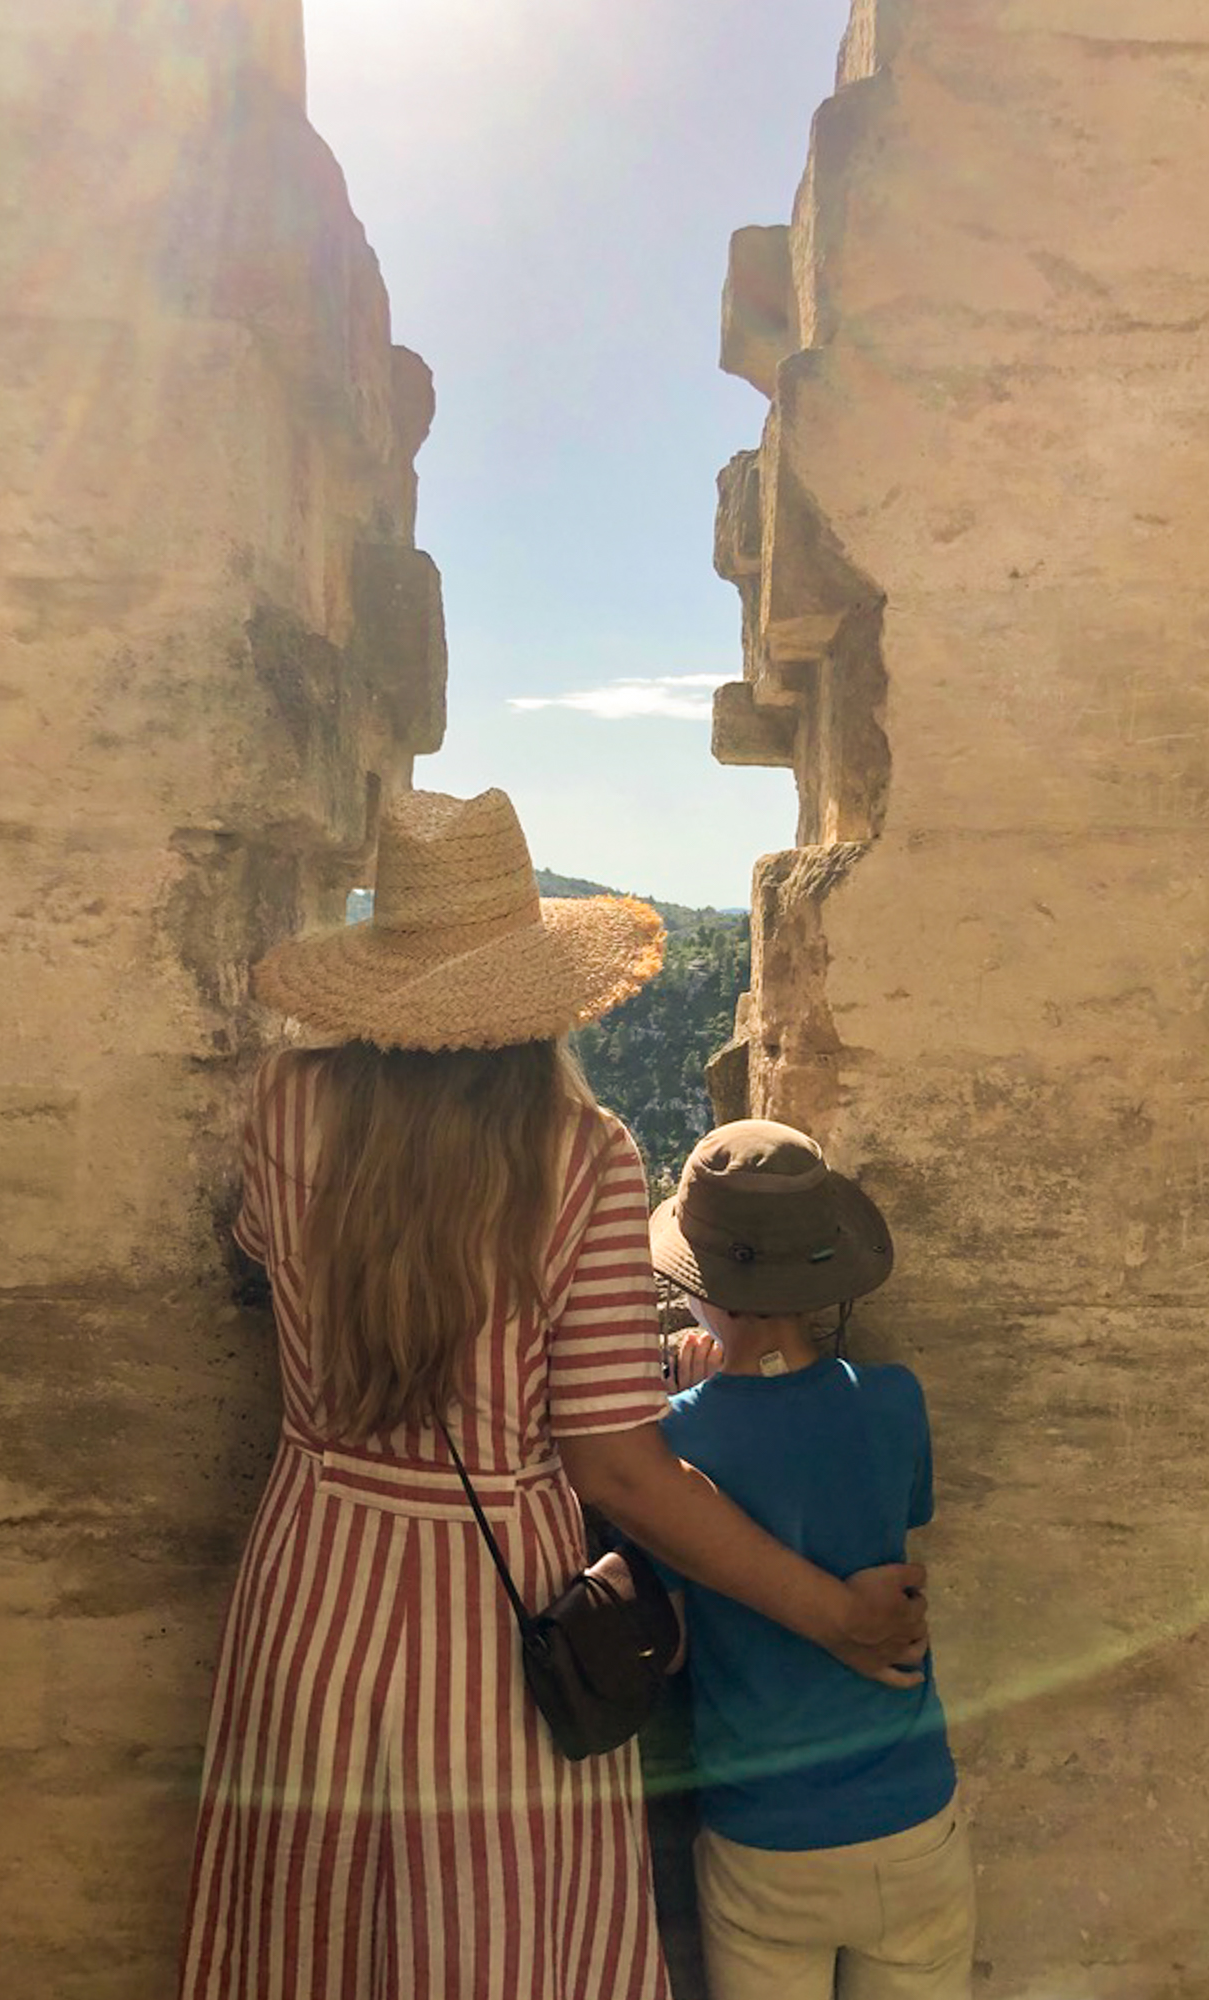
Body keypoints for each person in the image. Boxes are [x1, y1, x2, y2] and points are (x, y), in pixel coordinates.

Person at [178, 786, 929, 2000]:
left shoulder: (284, 1103)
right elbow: (615, 1463)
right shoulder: (583, 1155)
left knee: (310, 1920)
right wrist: (831, 1612)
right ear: (535, 986)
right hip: (493, 1606)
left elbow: (272, 1261)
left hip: (313, 1566)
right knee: (497, 1933)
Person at [644, 1119, 975, 2000]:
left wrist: (688, 1409)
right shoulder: (895, 1400)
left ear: (699, 1288)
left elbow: (670, 1643)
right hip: (910, 1812)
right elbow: (895, 1520)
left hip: (764, 1834)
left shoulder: (672, 1444)